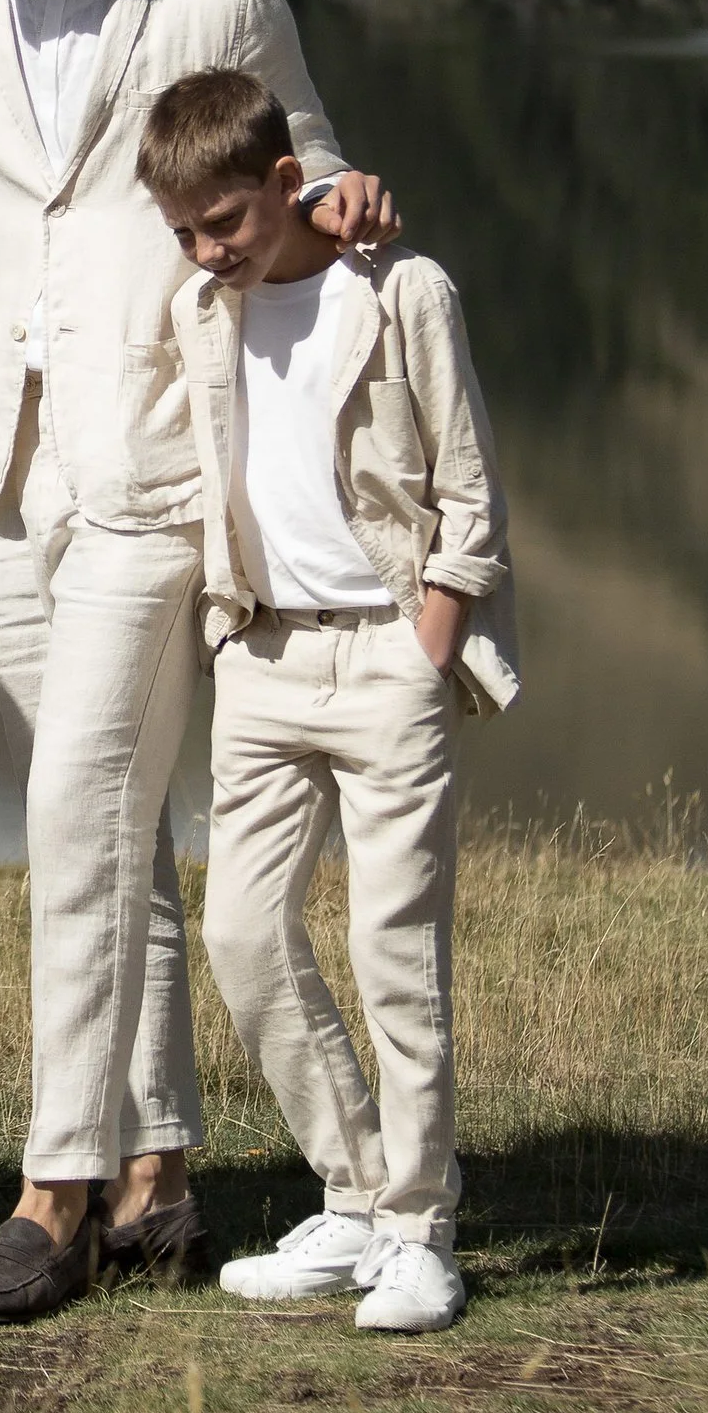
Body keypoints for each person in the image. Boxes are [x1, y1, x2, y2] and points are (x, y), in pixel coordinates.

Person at [0, 0, 395, 1326]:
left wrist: (337, 220)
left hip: (165, 458)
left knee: (76, 809)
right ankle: (166, 1165)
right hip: (7, 473)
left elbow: (299, 193)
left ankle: (57, 1189)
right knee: (106, 811)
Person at [142, 66, 521, 1335]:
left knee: (393, 952)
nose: (207, 253)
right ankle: (353, 1195)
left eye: (227, 225)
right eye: (185, 232)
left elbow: (468, 495)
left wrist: (430, 642)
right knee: (244, 938)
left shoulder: (401, 292)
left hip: (385, 659)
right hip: (259, 658)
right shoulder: (205, 309)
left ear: (287, 184)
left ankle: (420, 1229)